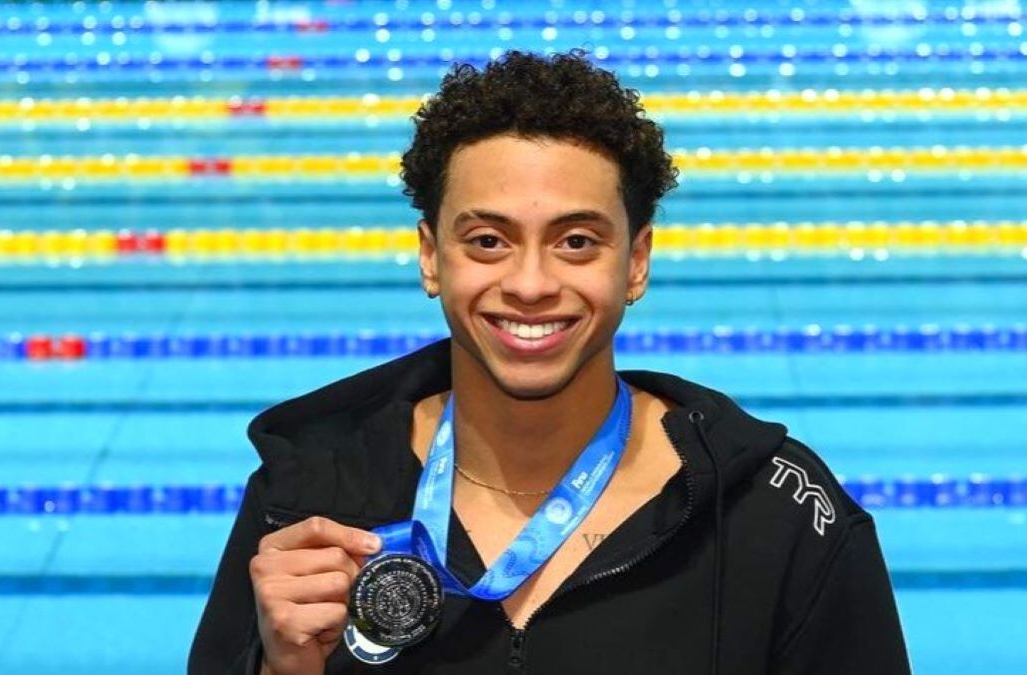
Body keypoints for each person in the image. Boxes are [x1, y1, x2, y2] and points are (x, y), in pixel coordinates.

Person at [189, 49, 910, 675]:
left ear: (637, 261)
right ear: (430, 256)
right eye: (488, 241)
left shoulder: (777, 513)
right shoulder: (310, 492)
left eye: (576, 242)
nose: (531, 284)